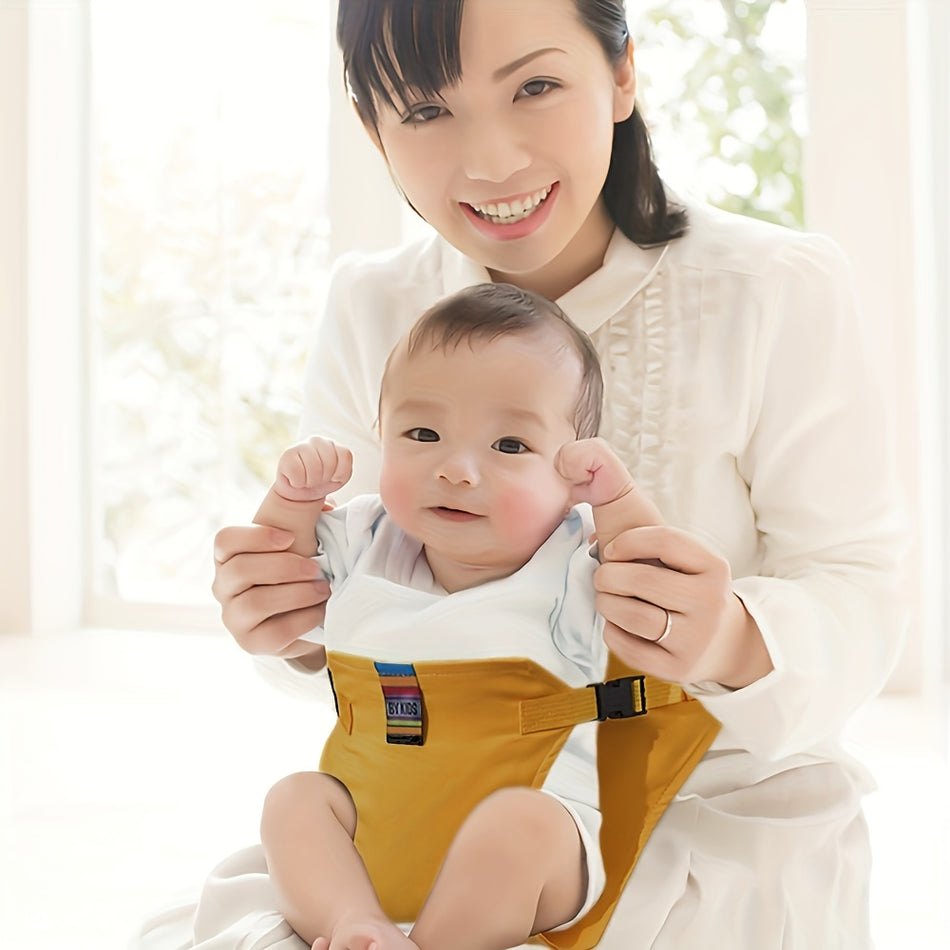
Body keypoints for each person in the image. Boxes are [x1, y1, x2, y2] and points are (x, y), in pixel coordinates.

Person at [137, 0, 907, 947]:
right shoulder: (373, 302)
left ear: (623, 73)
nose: (491, 162)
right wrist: (290, 623)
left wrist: (732, 639)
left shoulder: (776, 288)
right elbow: (355, 637)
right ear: (371, 123)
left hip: (713, 806)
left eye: (535, 87)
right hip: (421, 801)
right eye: (425, 110)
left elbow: (862, 590)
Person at [254, 282, 676, 950]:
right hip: (376, 828)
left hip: (528, 850)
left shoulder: (570, 566)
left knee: (519, 826)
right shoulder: (365, 538)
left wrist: (619, 499)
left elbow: (656, 582)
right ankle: (354, 924)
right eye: (422, 433)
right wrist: (290, 501)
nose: (456, 470)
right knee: (293, 800)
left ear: (572, 473)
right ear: (379, 435)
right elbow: (277, 574)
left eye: (509, 446)